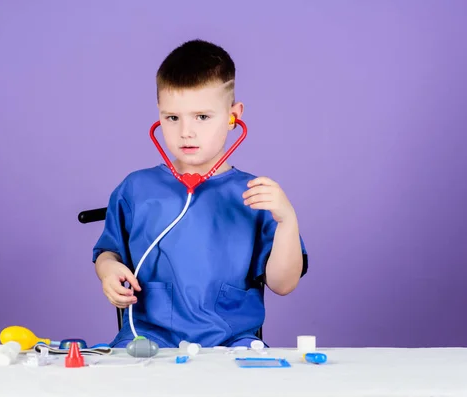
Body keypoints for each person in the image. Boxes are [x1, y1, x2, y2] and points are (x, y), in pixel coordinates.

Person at [92, 39, 308, 349]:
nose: (186, 132)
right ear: (159, 114)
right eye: (173, 117)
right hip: (147, 341)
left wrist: (287, 221)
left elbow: (283, 284)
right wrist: (108, 270)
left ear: (234, 116)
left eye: (202, 117)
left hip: (229, 344)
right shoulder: (135, 189)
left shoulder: (255, 195)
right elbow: (108, 251)